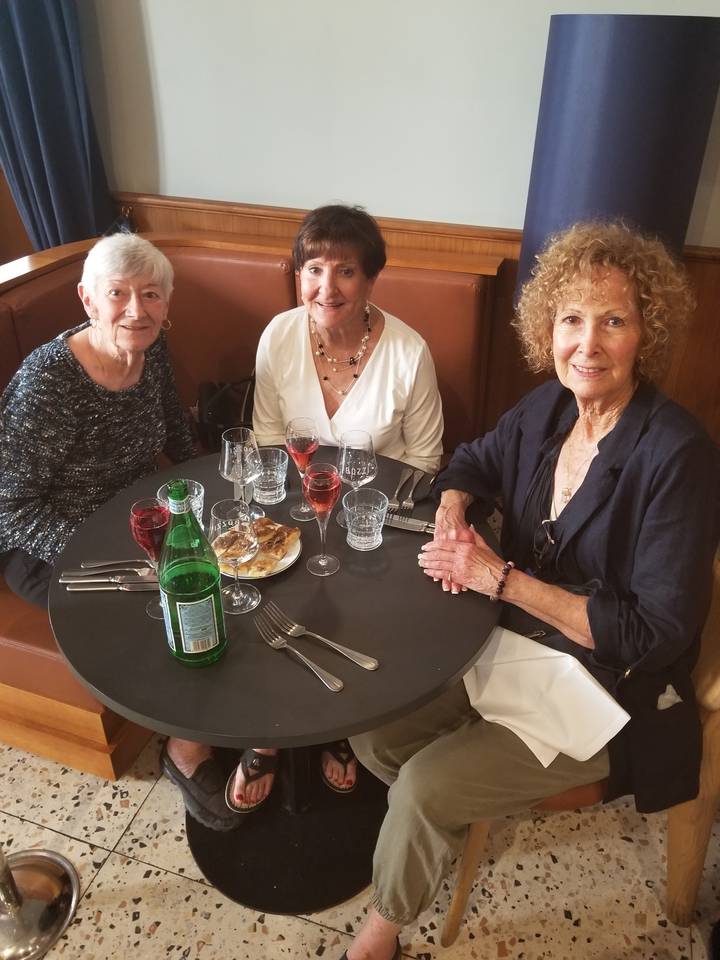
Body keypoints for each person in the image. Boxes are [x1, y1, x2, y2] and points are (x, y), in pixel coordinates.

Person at [339, 221, 720, 960]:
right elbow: (473, 461)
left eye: (615, 320)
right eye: (572, 319)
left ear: (648, 332)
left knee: (422, 788)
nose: (589, 343)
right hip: (510, 643)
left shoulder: (677, 453)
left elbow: (655, 632)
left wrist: (501, 578)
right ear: (549, 327)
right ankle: (445, 814)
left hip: (606, 689)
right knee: (371, 725)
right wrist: (451, 510)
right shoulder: (547, 408)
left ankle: (379, 934)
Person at [229, 204, 444, 813]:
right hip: (296, 514)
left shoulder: (408, 353)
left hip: (381, 524)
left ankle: (345, 728)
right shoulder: (278, 336)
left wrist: (364, 520)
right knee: (261, 600)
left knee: (361, 610)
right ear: (298, 274)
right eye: (313, 268)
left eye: (345, 271)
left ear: (371, 280)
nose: (327, 288)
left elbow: (426, 459)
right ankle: (266, 731)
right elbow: (268, 441)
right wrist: (287, 530)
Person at [0, 233, 194, 606]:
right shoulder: (53, 379)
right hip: (50, 548)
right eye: (117, 293)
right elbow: (11, 506)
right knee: (161, 609)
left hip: (136, 520)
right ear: (88, 300)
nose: (137, 311)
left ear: (166, 304)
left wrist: (211, 489)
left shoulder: (151, 348)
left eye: (151, 294)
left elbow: (173, 423)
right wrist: (104, 552)